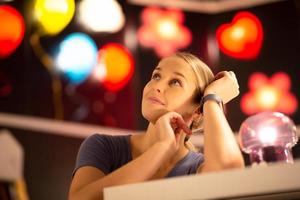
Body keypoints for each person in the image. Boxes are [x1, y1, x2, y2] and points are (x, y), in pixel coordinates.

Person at [68, 52, 245, 200]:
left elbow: (229, 173)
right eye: (156, 76)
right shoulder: (102, 146)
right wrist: (161, 148)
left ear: (198, 110)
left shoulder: (197, 168)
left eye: (175, 82)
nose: (157, 86)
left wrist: (212, 98)